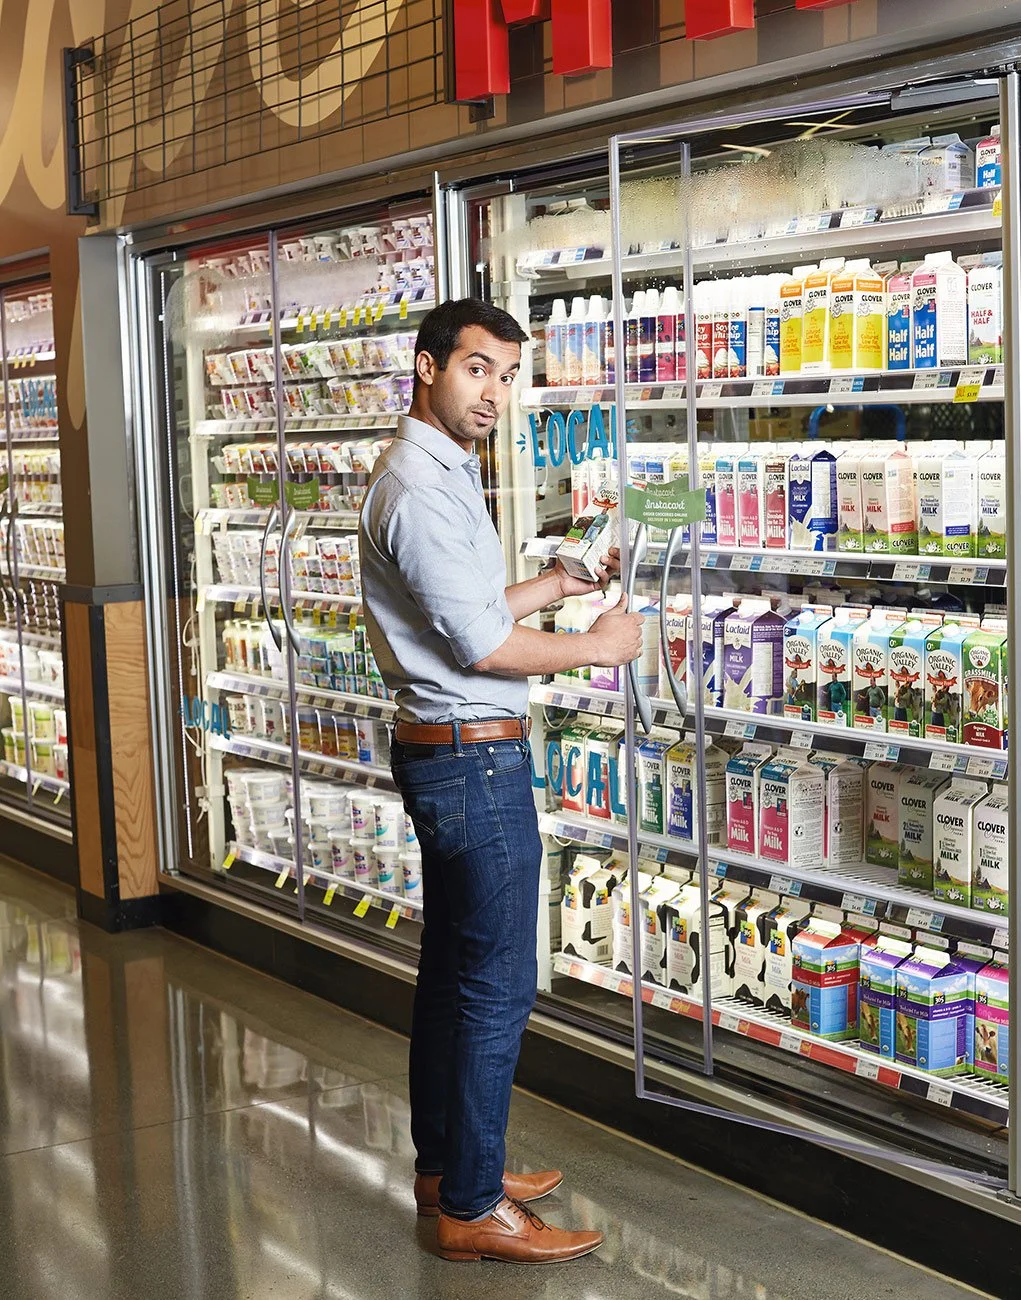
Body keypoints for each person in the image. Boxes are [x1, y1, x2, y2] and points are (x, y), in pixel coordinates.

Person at [358, 298, 643, 1264]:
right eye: (478, 369)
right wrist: (592, 643)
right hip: (471, 758)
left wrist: (555, 585)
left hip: (454, 752)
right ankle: (474, 1209)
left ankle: (449, 1168)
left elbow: (469, 607)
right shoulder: (418, 485)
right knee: (494, 987)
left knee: (450, 979)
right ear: (428, 365)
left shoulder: (438, 472)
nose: (494, 394)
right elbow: (480, 644)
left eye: (508, 376)